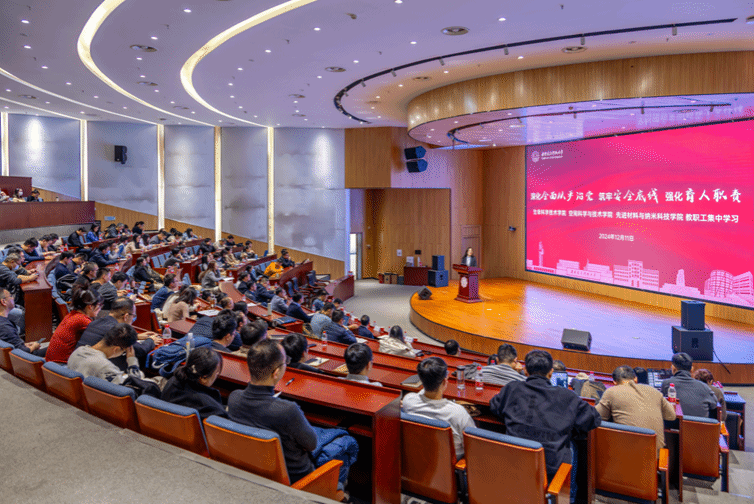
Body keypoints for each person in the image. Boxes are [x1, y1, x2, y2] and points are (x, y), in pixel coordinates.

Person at [228, 339, 357, 489]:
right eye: (285, 362)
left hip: (256, 467)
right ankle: (335, 490)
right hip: (297, 477)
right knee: (346, 439)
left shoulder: (234, 398)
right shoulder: (287, 410)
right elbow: (312, 445)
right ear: (276, 373)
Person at [489, 350, 601, 481]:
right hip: (551, 472)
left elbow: (494, 407)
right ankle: (568, 493)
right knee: (572, 447)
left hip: (513, 462)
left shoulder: (512, 388)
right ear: (551, 372)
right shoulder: (567, 396)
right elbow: (594, 419)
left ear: (525, 371)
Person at [402, 357, 476, 458]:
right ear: (445, 382)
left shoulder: (408, 401)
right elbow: (473, 446)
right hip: (451, 463)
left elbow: (421, 394)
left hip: (417, 459)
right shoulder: (458, 413)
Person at [595, 365, 676, 455]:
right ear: (635, 379)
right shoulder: (654, 391)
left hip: (625, 456)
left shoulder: (611, 391)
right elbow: (672, 416)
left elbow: (596, 416)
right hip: (655, 457)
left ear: (614, 382)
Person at [76, 297, 159, 369]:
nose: (133, 319)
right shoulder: (117, 330)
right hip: (98, 370)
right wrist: (151, 340)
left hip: (79, 364)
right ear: (126, 316)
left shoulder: (96, 322)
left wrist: (137, 336)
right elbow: (140, 350)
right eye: (133, 316)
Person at [67, 323, 147, 385]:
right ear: (116, 349)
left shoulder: (78, 350)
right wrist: (132, 361)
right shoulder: (105, 366)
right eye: (124, 351)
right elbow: (134, 385)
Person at [161, 347, 227, 420]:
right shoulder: (213, 409)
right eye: (216, 372)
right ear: (204, 377)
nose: (217, 375)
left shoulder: (172, 382)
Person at [46, 289, 103, 364]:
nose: (100, 309)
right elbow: (100, 335)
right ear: (90, 306)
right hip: (61, 364)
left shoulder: (72, 314)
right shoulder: (82, 320)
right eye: (99, 306)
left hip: (51, 361)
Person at [661, 352, 718, 418]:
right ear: (691, 369)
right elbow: (714, 405)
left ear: (673, 368)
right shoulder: (705, 387)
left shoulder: (667, 384)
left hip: (675, 424)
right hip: (700, 424)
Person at [0, 287, 45, 356]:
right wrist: (34, 346)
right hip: (24, 358)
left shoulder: (4, 322)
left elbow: (11, 343)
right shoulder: (6, 327)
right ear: (3, 302)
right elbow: (24, 352)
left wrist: (24, 344)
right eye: (10, 296)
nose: (13, 298)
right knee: (56, 349)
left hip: (14, 355)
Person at [0, 252, 38, 331]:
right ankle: (22, 332)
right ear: (12, 262)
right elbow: (16, 280)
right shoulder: (2, 269)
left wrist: (29, 276)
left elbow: (16, 276)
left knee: (21, 307)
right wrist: (30, 278)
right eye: (18, 264)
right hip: (2, 298)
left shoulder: (4, 267)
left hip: (3, 295)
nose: (19, 266)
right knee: (20, 313)